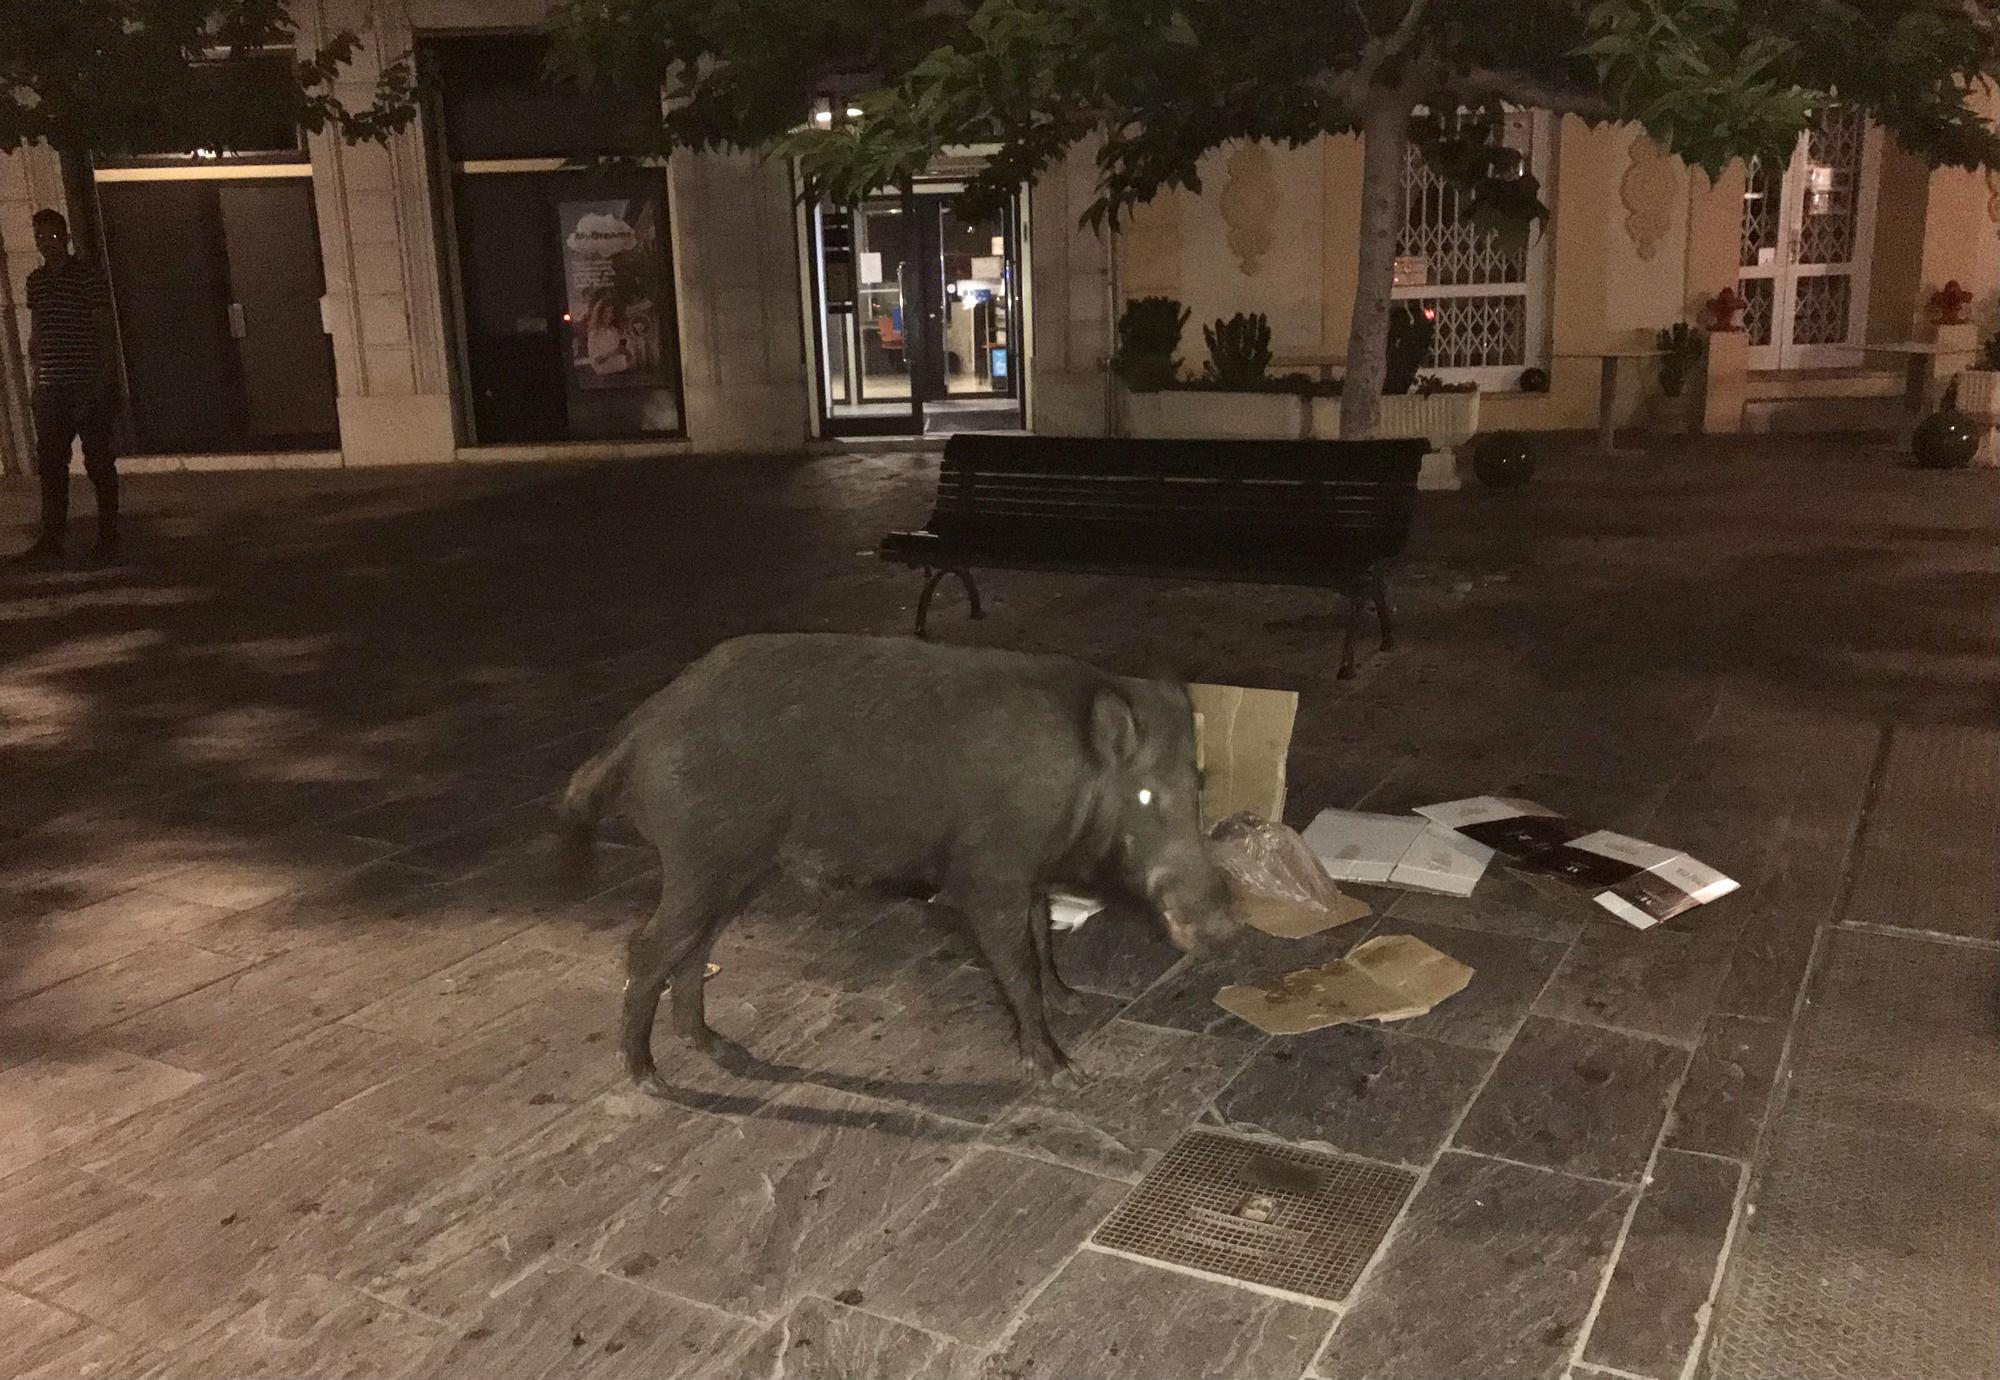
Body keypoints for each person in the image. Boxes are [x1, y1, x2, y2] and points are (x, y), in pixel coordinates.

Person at [14, 208, 122, 567]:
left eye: (53, 236)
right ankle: (52, 537)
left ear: (66, 238)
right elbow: (38, 333)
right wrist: (36, 381)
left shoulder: (86, 276)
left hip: (85, 381)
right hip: (53, 385)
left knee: (98, 462)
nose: (47, 243)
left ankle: (109, 536)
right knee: (51, 463)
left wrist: (104, 379)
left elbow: (103, 328)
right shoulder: (36, 282)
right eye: (41, 237)